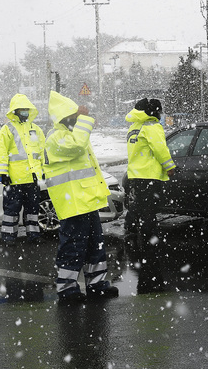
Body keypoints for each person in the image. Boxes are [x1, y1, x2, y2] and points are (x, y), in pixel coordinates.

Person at [43, 90, 118, 304]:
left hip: (83, 200)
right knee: (73, 246)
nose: (78, 117)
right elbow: (77, 145)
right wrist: (84, 119)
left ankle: (97, 285)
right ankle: (67, 290)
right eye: (74, 115)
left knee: (96, 244)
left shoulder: (71, 133)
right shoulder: (57, 137)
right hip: (72, 202)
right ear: (66, 116)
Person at [124, 98, 176, 245]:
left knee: (139, 202)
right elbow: (160, 149)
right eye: (159, 111)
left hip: (136, 173)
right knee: (149, 207)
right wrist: (169, 166)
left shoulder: (134, 126)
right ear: (155, 112)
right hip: (149, 173)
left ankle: (131, 226)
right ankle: (149, 236)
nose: (161, 114)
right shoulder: (152, 127)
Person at [0, 93, 45, 244]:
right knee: (11, 210)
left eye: (26, 109)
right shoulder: (7, 129)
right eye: (21, 109)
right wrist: (3, 173)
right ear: (15, 111)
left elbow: (42, 152)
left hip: (32, 178)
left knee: (32, 210)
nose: (24, 111)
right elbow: (2, 151)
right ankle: (9, 237)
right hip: (14, 179)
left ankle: (33, 235)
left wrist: (42, 172)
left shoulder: (35, 129)